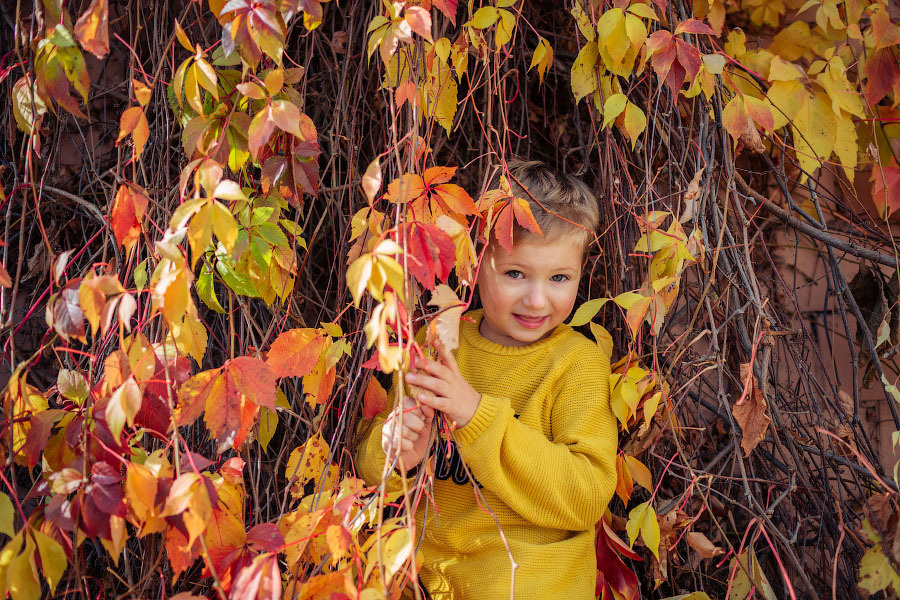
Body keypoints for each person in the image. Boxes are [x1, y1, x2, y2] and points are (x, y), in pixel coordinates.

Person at [355, 160, 617, 599]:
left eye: (559, 278)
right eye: (515, 273)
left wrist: (476, 416)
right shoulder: (441, 340)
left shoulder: (576, 364)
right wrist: (396, 454)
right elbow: (370, 470)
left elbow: (587, 496)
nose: (537, 300)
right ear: (476, 259)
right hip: (428, 579)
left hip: (530, 585)